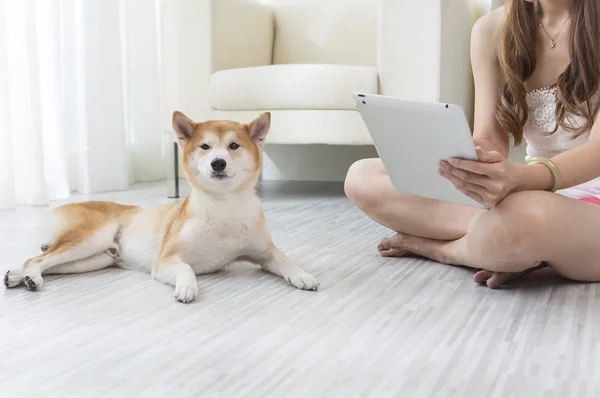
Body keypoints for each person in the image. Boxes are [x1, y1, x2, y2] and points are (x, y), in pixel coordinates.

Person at [344, 0, 600, 288]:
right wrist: (474, 167)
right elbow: (489, 135)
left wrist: (519, 179)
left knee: (524, 215)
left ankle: (443, 250)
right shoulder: (492, 29)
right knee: (362, 177)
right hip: (526, 195)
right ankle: (511, 248)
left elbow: (596, 152)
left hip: (582, 205)